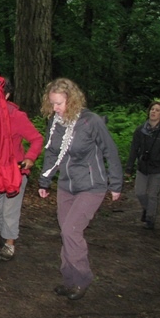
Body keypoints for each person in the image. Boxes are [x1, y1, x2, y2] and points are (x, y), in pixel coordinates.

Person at [37, 78, 122, 300]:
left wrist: (116, 183)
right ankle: (69, 280)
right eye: (52, 103)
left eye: (59, 104)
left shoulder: (90, 121)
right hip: (66, 185)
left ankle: (82, 279)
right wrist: (45, 180)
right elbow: (52, 153)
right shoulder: (55, 123)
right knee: (66, 231)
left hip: (91, 186)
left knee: (71, 231)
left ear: (72, 101)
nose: (55, 108)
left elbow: (110, 151)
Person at [0, 78, 43, 261]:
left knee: (10, 211)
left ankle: (9, 244)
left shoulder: (15, 115)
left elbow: (36, 139)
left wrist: (30, 158)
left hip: (15, 171)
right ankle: (5, 233)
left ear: (7, 95)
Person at [125, 101, 160, 230]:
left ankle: (150, 218)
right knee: (140, 192)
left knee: (153, 195)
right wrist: (129, 167)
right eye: (152, 109)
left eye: (157, 110)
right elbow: (134, 149)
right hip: (143, 167)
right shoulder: (140, 130)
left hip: (158, 168)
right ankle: (147, 209)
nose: (153, 112)